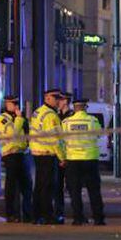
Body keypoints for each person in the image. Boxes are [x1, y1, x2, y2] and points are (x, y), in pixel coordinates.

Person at [62, 99, 105, 226]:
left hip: (73, 160)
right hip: (90, 159)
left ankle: (78, 218)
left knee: (75, 191)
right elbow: (98, 135)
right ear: (85, 107)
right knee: (94, 190)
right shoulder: (93, 121)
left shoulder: (66, 122)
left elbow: (62, 139)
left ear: (74, 108)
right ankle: (98, 218)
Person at [30, 89, 66, 225]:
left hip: (37, 152)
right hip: (47, 154)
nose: (58, 101)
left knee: (39, 186)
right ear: (47, 98)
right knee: (48, 187)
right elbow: (56, 140)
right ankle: (48, 216)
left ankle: (36, 215)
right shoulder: (52, 116)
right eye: (55, 98)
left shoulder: (37, 112)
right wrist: (62, 157)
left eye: (59, 98)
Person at [0, 95, 32, 223]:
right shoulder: (2, 119)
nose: (15, 106)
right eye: (12, 104)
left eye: (16, 103)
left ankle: (27, 214)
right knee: (11, 187)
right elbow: (12, 134)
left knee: (27, 186)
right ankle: (11, 214)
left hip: (22, 154)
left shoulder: (19, 118)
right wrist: (20, 119)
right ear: (6, 105)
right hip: (10, 155)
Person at [54, 92, 74, 224]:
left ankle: (77, 213)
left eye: (59, 100)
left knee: (73, 186)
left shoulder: (71, 116)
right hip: (59, 156)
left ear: (65, 102)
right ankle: (59, 213)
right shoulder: (56, 116)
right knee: (58, 187)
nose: (57, 102)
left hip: (70, 155)